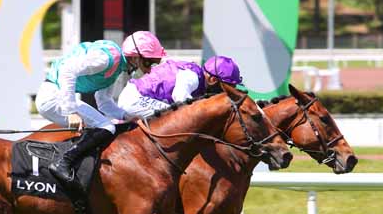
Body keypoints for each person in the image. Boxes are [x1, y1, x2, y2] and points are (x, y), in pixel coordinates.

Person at [35, 31, 166, 192]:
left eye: (154, 64)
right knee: (106, 127)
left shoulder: (117, 68)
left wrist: (128, 116)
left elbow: (104, 103)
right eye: (148, 63)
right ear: (135, 57)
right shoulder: (109, 59)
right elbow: (67, 70)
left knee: (108, 127)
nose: (149, 70)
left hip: (57, 96)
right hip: (52, 97)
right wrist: (70, 111)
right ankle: (62, 163)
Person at [117, 55, 243, 119]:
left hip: (139, 97)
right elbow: (180, 98)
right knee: (181, 117)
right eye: (228, 86)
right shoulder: (193, 76)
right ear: (212, 80)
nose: (227, 92)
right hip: (135, 99)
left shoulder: (197, 76)